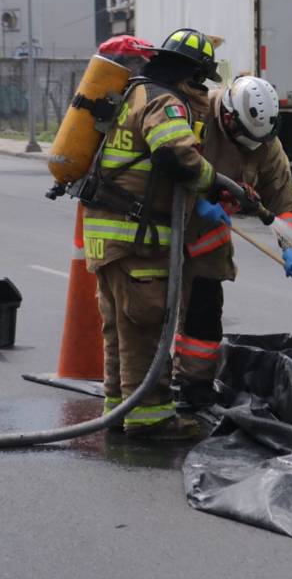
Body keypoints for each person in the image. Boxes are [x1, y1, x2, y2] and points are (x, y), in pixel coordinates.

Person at [83, 28, 221, 440]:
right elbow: (176, 154)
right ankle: (151, 419)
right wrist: (214, 182)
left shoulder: (130, 92)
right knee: (145, 328)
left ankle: (118, 408)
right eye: (201, 80)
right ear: (192, 74)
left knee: (119, 330)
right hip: (136, 238)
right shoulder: (165, 101)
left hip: (105, 234)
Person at [175, 75, 292, 411]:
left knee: (203, 316)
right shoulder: (194, 115)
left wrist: (290, 247)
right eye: (245, 139)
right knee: (153, 313)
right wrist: (195, 201)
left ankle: (195, 386)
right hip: (166, 232)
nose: (252, 147)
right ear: (230, 118)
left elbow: (283, 202)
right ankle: (152, 387)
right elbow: (162, 167)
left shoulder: (264, 142)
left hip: (207, 243)